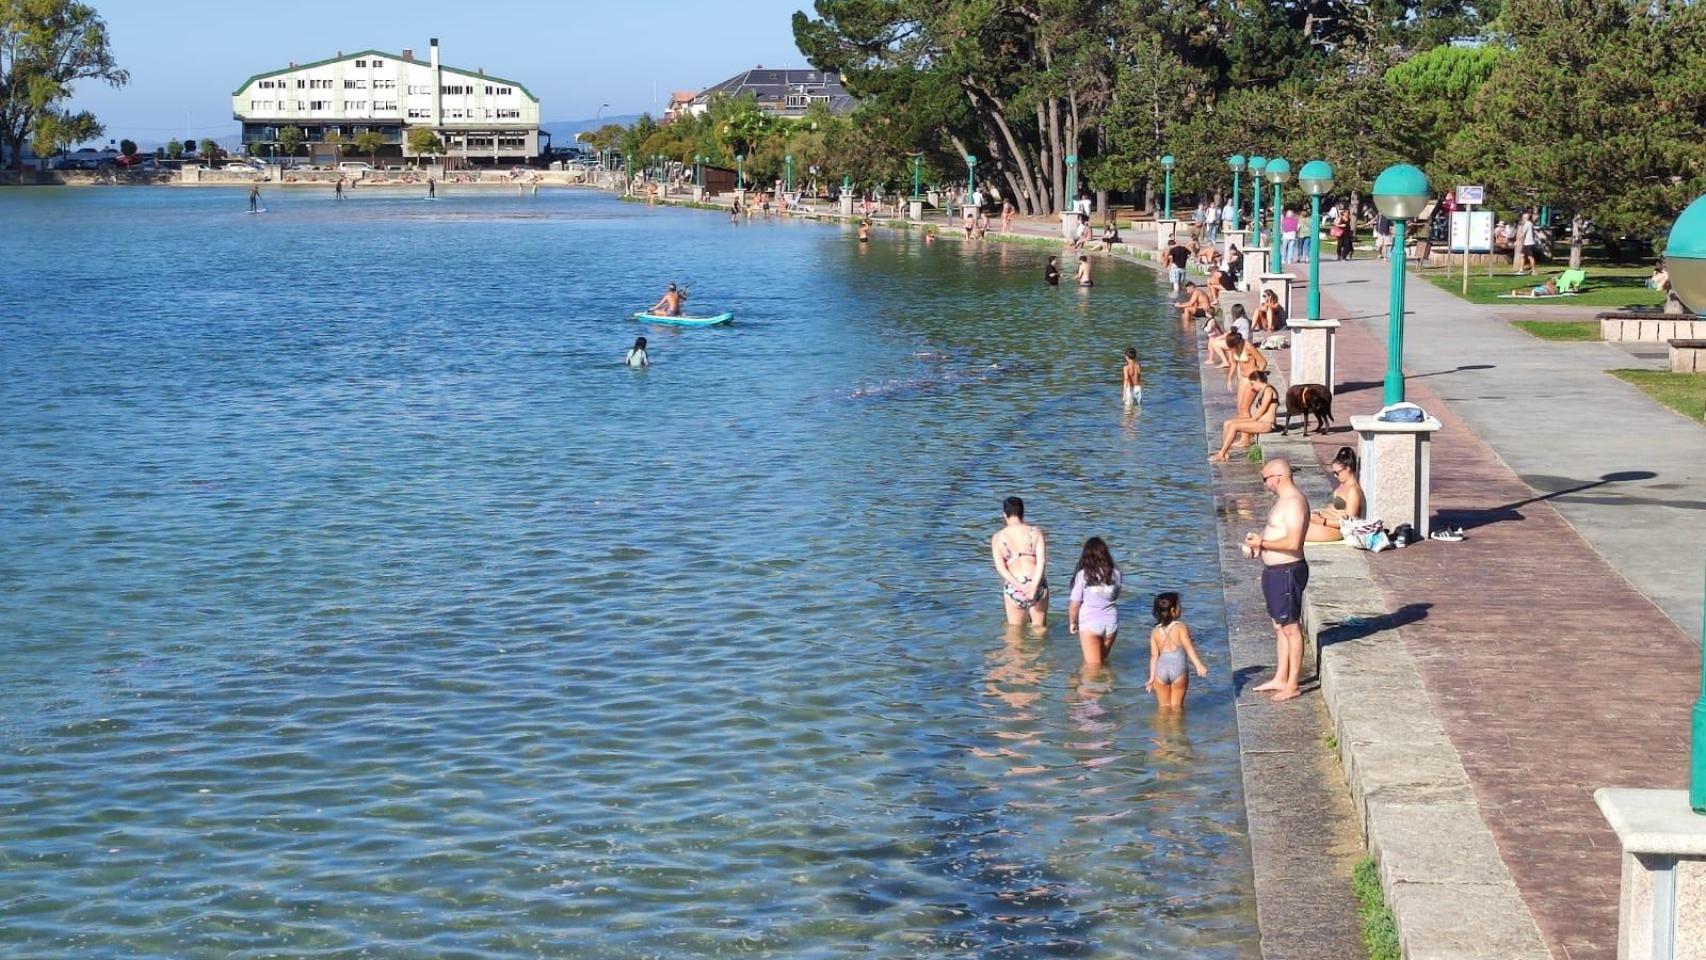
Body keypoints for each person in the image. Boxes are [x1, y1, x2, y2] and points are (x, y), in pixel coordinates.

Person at [1245, 458, 1310, 702]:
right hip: (1275, 572)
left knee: (1291, 628)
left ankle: (1292, 684)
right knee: (1279, 626)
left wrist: (1263, 543)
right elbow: (1277, 533)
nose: (1265, 485)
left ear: (1278, 477)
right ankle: (1281, 677)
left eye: (1266, 479)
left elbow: (1293, 543)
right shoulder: (1283, 502)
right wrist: (1259, 544)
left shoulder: (1294, 503)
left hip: (1287, 571)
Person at [992, 496, 1048, 628]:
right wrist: (1034, 585)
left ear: (1004, 515)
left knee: (1015, 634)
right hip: (1036, 582)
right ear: (1023, 512)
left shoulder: (998, 537)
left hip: (1015, 586)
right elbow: (1042, 562)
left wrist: (1020, 586)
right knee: (1039, 630)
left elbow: (1001, 569)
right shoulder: (1036, 532)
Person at [1145, 592, 1209, 709]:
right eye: (1180, 606)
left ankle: (1161, 727)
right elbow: (1188, 647)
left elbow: (1154, 656)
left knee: (1163, 708)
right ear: (1173, 610)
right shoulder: (1180, 627)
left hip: (1160, 671)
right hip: (1178, 669)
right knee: (1176, 708)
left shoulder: (1154, 632)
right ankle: (1176, 727)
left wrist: (1151, 678)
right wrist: (1198, 665)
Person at [1067, 536, 1123, 669]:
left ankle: (1088, 689)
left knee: (1093, 669)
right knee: (1102, 662)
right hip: (1111, 624)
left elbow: (1074, 604)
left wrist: (1072, 622)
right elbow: (1115, 596)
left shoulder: (1083, 575)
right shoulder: (1116, 574)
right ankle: (1107, 688)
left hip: (1090, 624)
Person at [1211, 369, 1278, 460]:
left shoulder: (1269, 390)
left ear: (1258, 381)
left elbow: (1262, 410)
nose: (1252, 387)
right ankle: (1225, 452)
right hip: (1260, 421)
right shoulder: (1264, 390)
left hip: (1267, 424)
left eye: (1252, 383)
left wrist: (1249, 420)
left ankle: (1221, 454)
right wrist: (1248, 420)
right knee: (1227, 423)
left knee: (1234, 426)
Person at [1307, 447, 1365, 542]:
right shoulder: (1343, 485)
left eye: (1337, 473)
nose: (1335, 476)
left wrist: (1323, 522)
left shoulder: (1352, 491)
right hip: (1324, 522)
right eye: (1334, 473)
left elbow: (1349, 521)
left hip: (1334, 528)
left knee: (1297, 528)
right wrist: (1319, 515)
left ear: (1348, 468)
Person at [1226, 329, 1269, 417]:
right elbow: (1234, 363)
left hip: (1252, 380)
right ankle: (1243, 428)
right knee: (1239, 407)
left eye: (1232, 347)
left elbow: (1263, 362)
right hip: (1243, 379)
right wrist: (1229, 379)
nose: (1231, 350)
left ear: (1237, 343)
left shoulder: (1248, 346)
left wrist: (1257, 377)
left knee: (1245, 408)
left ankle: (1248, 429)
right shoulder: (1233, 349)